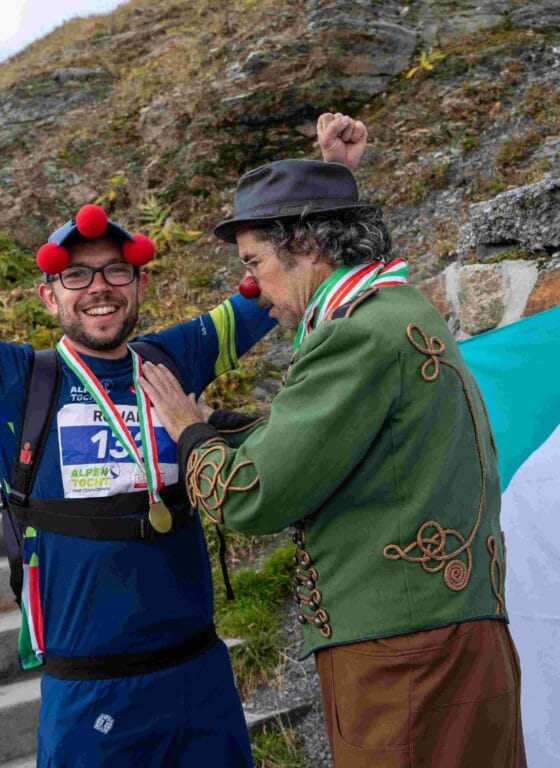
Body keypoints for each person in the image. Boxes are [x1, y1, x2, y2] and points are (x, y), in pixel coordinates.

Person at [0, 82, 364, 766]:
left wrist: (332, 184)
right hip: (90, 700)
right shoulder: (7, 380)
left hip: (202, 682)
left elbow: (283, 282)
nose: (99, 288)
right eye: (76, 276)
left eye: (116, 272)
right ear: (48, 295)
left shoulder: (174, 357)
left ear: (140, 285)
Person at [141, 158, 528, 767]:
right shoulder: (399, 307)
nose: (250, 287)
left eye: (253, 263)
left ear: (306, 245)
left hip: (403, 658)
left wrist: (189, 433)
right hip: (448, 637)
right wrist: (222, 424)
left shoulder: (353, 333)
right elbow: (348, 447)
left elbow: (250, 496)